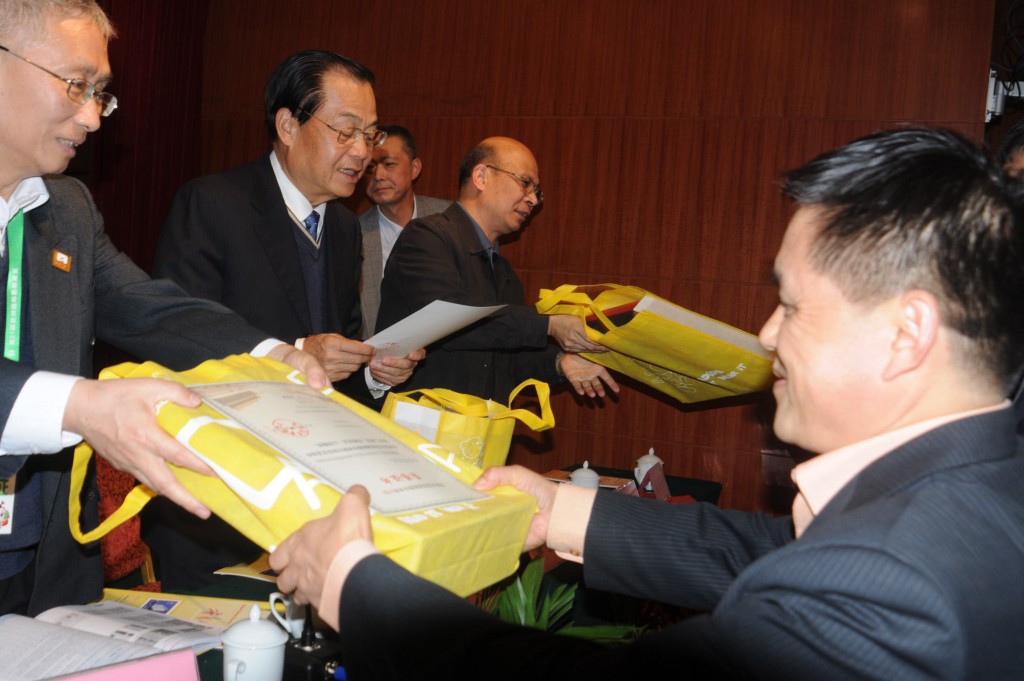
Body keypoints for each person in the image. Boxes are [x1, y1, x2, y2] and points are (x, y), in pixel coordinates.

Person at [271, 128, 1024, 680]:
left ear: (907, 334)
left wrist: (355, 583)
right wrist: (558, 510)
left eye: (792, 307)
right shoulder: (970, 495)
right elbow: (768, 553)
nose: (769, 335)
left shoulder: (898, 584)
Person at [0, 0, 327, 616]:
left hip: (46, 560)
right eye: (75, 85)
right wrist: (81, 406)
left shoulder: (67, 207)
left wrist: (270, 354)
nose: (92, 116)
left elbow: (144, 304)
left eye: (100, 93)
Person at [147, 50, 424, 590]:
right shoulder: (212, 203)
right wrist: (294, 351)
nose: (362, 152)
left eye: (369, 135)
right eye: (346, 131)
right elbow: (174, 343)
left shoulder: (342, 228)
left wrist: (372, 371)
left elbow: (336, 350)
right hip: (218, 502)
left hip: (309, 504)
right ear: (288, 125)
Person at [376, 136, 617, 402]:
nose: (533, 200)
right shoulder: (426, 237)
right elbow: (452, 322)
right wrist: (549, 324)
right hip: (420, 421)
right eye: (525, 183)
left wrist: (560, 362)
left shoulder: (503, 272)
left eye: (537, 191)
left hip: (477, 425)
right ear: (481, 177)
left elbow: (505, 363)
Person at [358, 125, 451, 338]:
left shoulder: (449, 219)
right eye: (370, 168)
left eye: (389, 164)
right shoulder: (353, 235)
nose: (378, 175)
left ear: (415, 168)